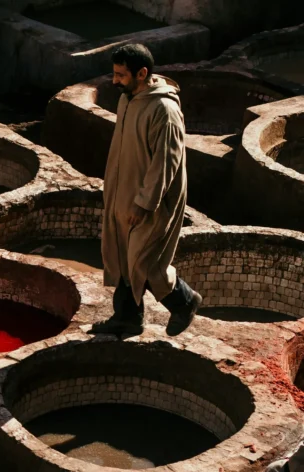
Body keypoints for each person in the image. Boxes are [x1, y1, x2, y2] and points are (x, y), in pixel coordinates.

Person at [92, 43, 201, 337]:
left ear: (142, 73)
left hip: (151, 200)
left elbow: (166, 162)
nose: (114, 81)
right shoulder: (128, 99)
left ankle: (184, 301)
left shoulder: (163, 110)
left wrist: (144, 203)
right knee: (123, 256)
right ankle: (127, 319)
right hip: (122, 192)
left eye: (121, 75)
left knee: (145, 261)